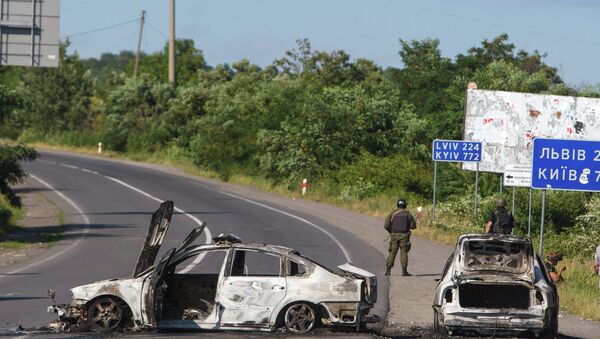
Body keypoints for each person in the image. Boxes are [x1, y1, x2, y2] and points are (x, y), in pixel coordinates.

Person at [384, 198, 417, 276]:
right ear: (405, 205)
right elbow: (413, 226)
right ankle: (404, 271)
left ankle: (388, 271)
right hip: (405, 236)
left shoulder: (392, 213)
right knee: (404, 253)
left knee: (392, 253)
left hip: (394, 236)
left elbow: (386, 225)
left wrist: (391, 231)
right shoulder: (408, 214)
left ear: (397, 204)